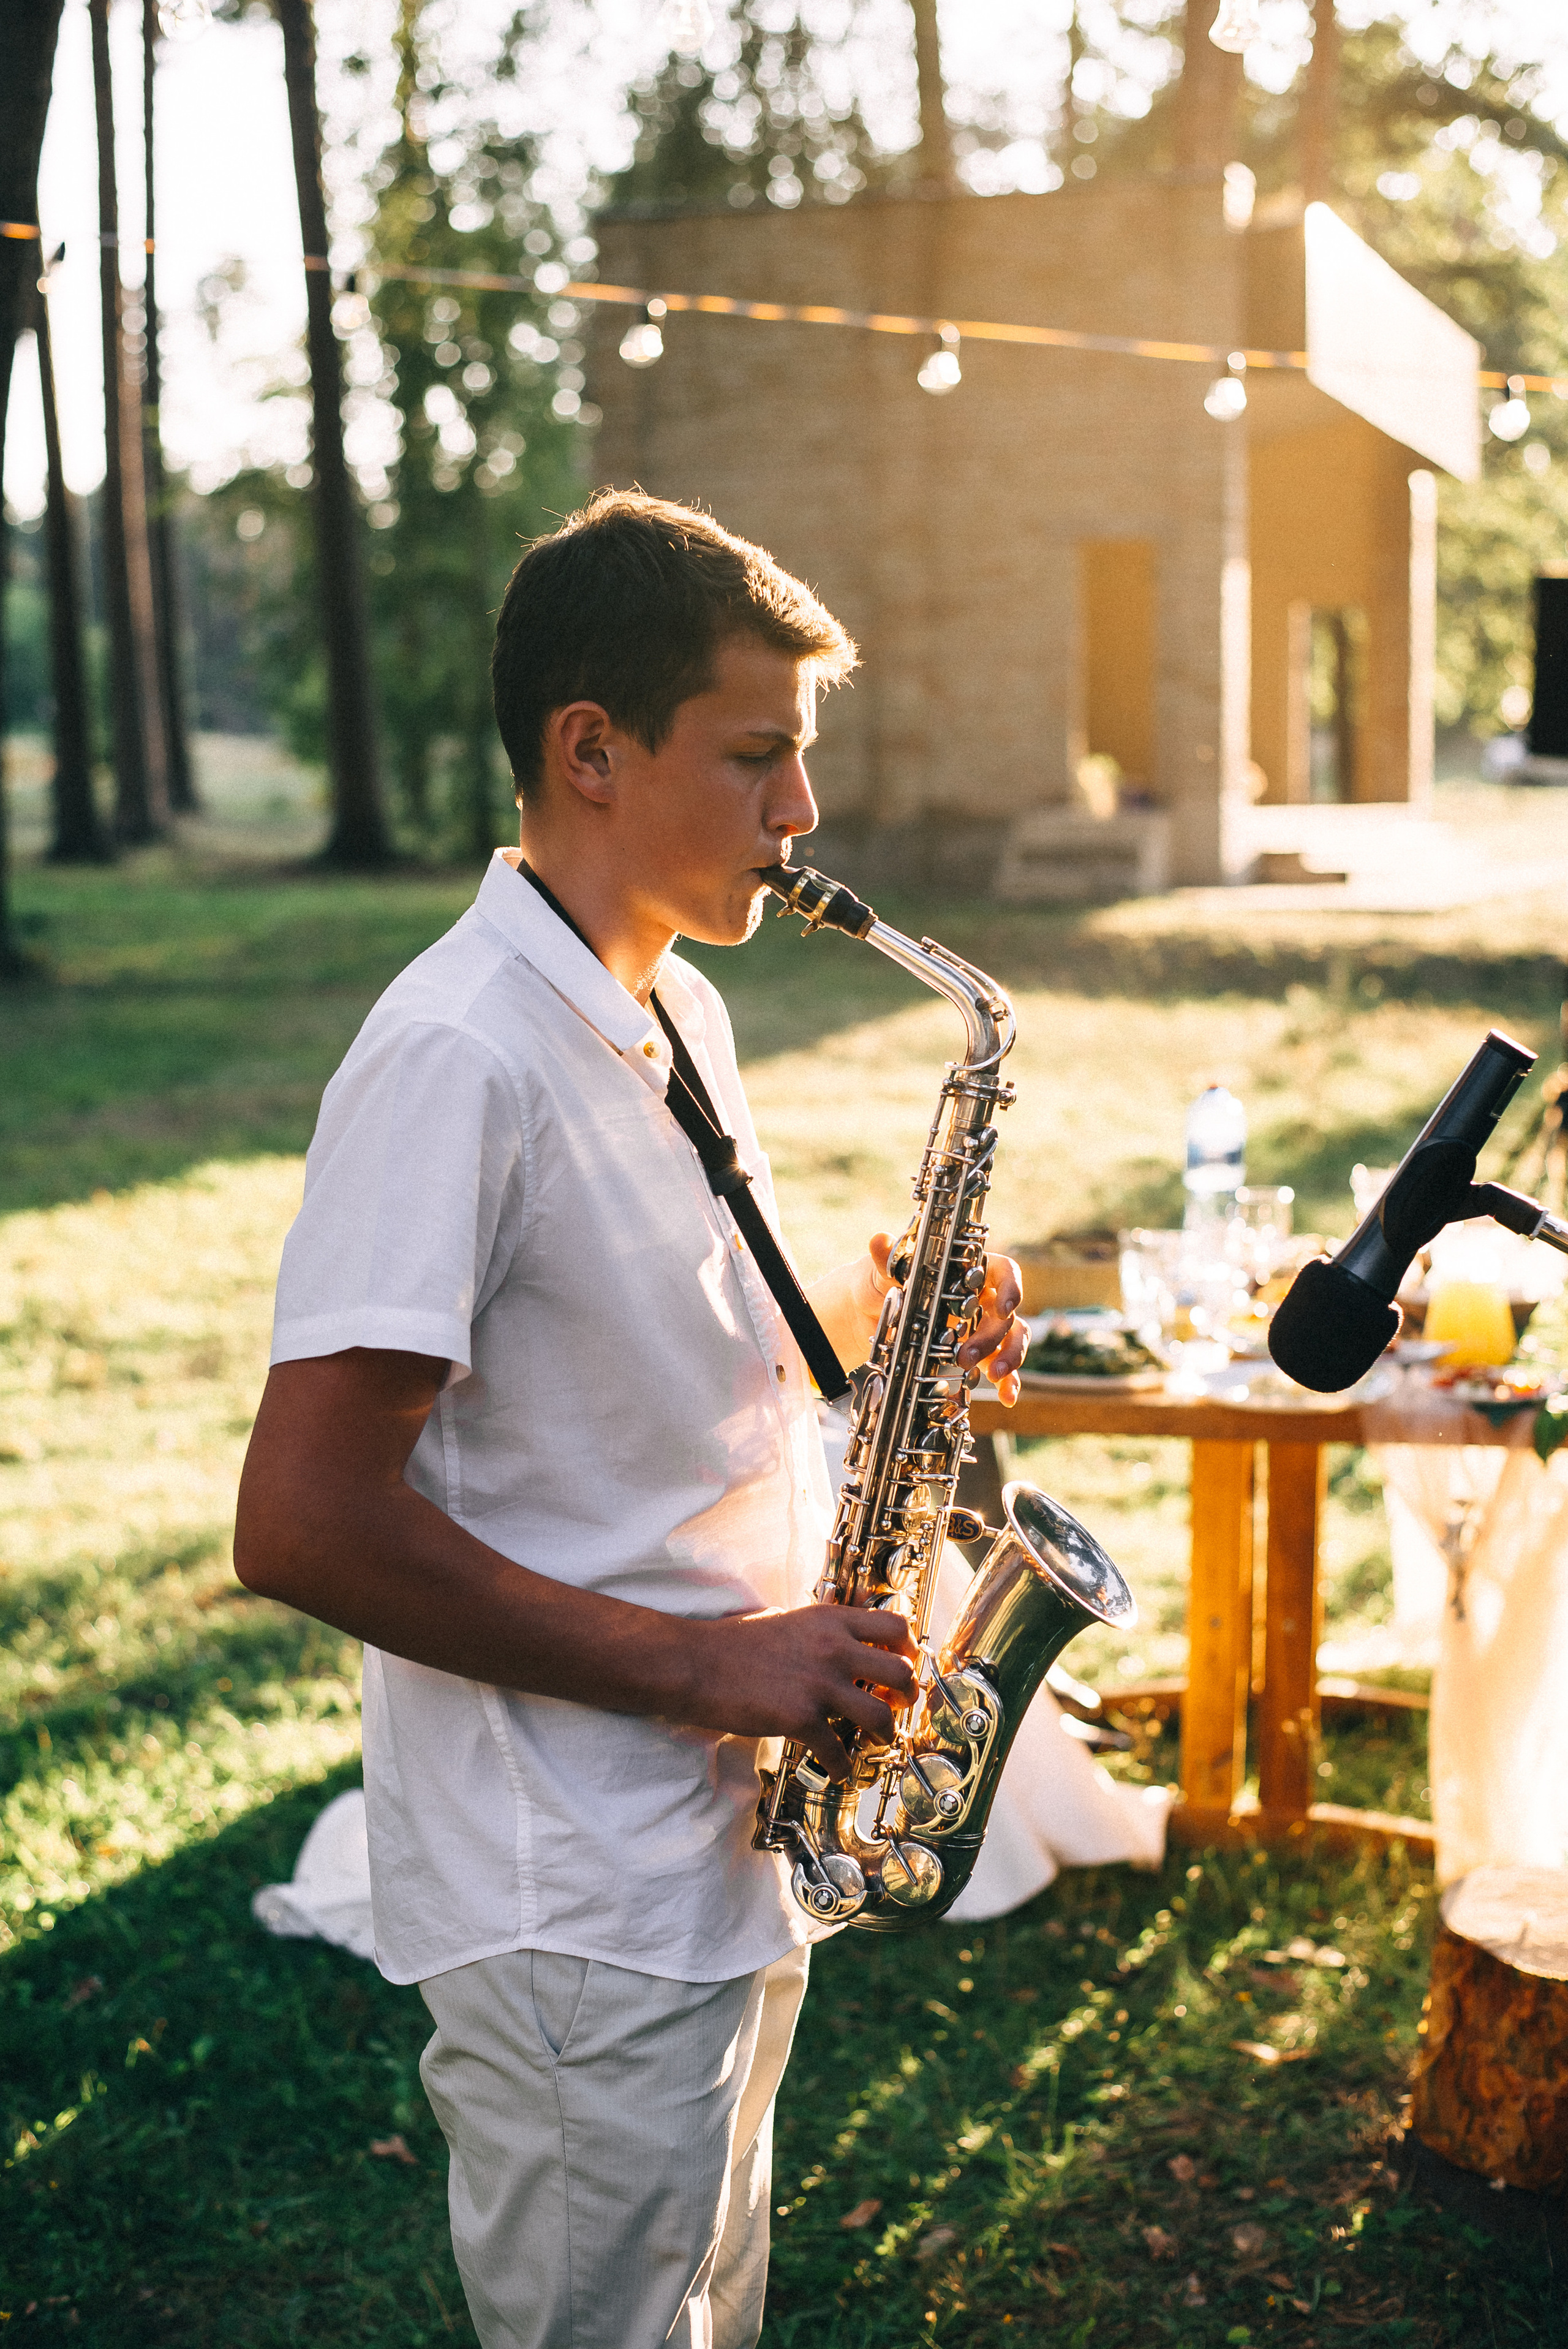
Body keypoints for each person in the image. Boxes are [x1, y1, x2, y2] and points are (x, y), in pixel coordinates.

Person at [234, 489, 1025, 2349]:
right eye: (758, 757)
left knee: (707, 2313)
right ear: (591, 750)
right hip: (572, 1882)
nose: (802, 815)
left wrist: (881, 1306)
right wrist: (710, 1668)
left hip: (715, 1843)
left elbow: (657, 1331)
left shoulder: (666, 1006)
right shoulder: (455, 1054)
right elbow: (304, 1520)